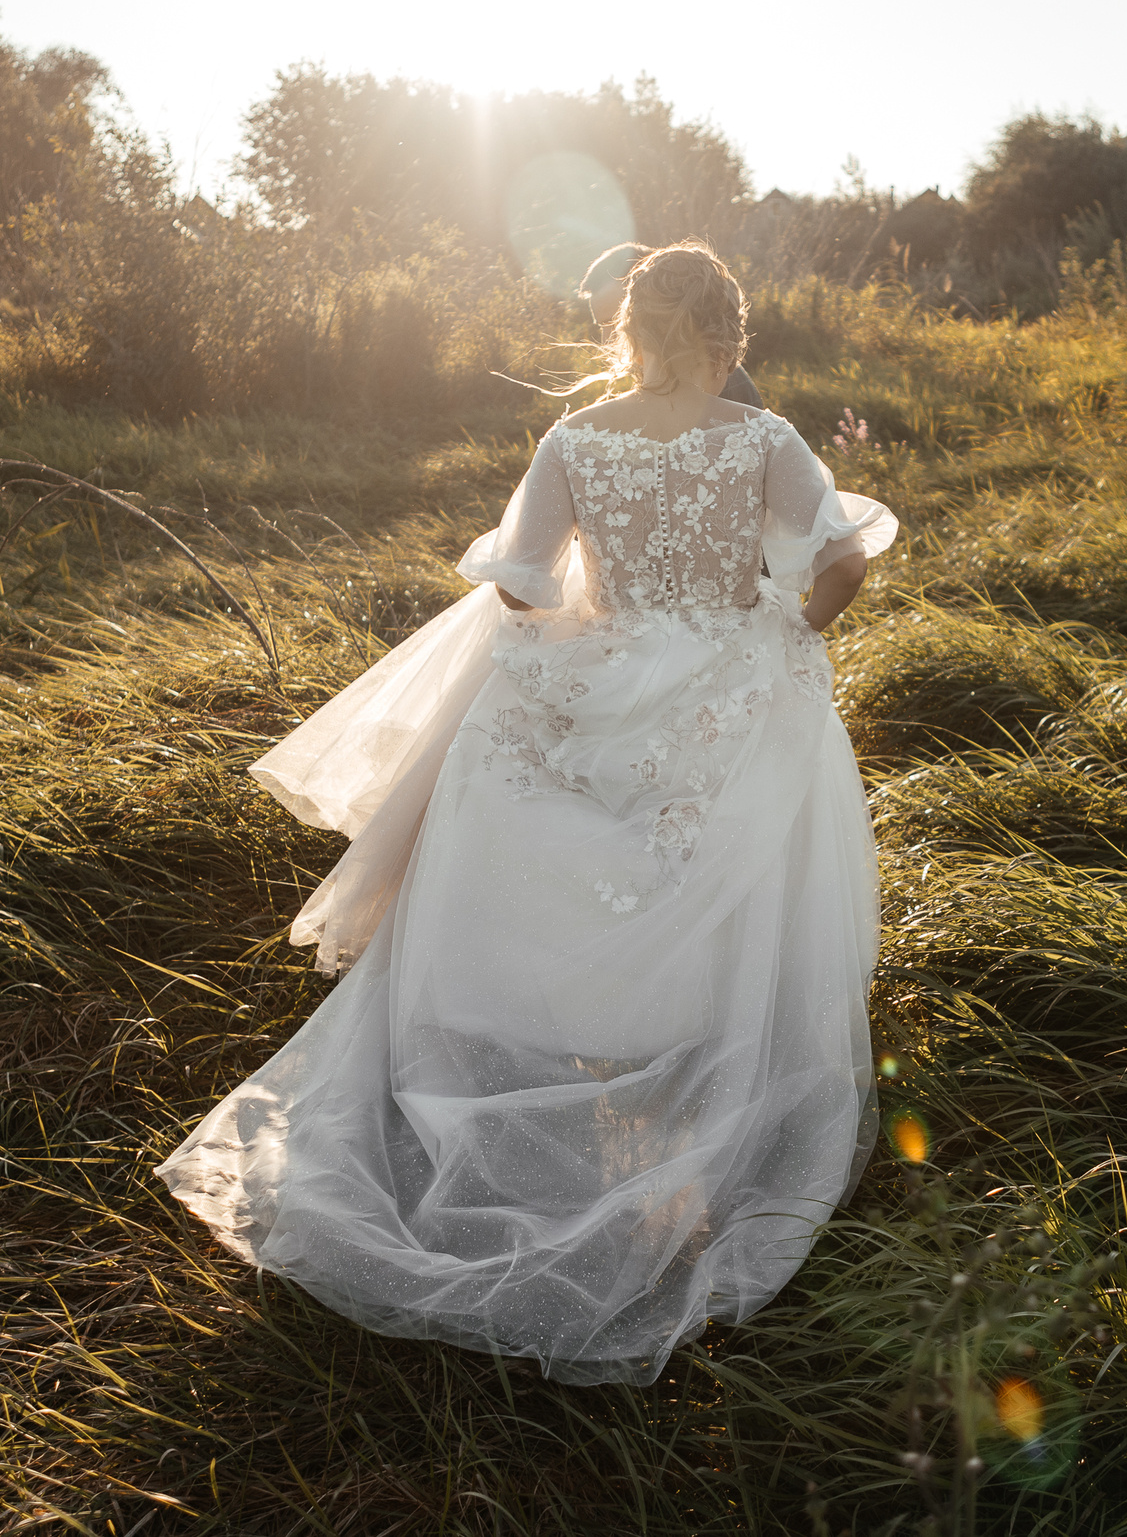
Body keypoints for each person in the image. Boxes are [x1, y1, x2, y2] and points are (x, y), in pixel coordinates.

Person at [157, 241, 899, 1386]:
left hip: (593, 666)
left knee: (531, 822)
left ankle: (533, 1067)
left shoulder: (576, 437)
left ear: (627, 332)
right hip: (722, 673)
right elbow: (843, 562)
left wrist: (602, 610)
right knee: (710, 847)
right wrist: (783, 632)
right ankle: (695, 1057)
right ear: (729, 337)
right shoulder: (761, 437)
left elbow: (517, 580)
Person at [581, 241, 765, 410]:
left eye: (618, 322)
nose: (606, 340)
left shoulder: (716, 377)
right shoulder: (644, 377)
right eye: (601, 325)